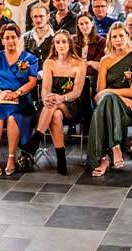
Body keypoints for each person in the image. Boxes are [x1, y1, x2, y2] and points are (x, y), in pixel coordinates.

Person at [0, 25, 40, 176]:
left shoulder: (30, 59)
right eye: (7, 37)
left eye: (13, 37)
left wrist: (17, 93)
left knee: (14, 118)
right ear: (2, 40)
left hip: (21, 98)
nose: (10, 40)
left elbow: (32, 82)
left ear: (19, 38)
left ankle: (11, 158)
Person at [88, 23, 132, 176]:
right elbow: (100, 92)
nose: (118, 39)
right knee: (107, 101)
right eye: (114, 36)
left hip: (128, 109)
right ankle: (115, 147)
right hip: (108, 103)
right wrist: (116, 96)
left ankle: (104, 158)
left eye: (121, 35)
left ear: (127, 36)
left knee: (108, 99)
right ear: (110, 40)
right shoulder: (105, 60)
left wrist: (111, 93)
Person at [34, 32, 88, 175]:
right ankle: (61, 159)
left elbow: (76, 92)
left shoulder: (80, 64)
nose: (61, 45)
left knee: (54, 106)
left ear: (69, 43)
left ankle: (36, 140)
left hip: (72, 103)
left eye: (64, 42)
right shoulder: (49, 63)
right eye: (57, 42)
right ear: (54, 45)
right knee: (56, 115)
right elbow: (45, 89)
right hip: (52, 103)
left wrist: (61, 98)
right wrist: (46, 97)